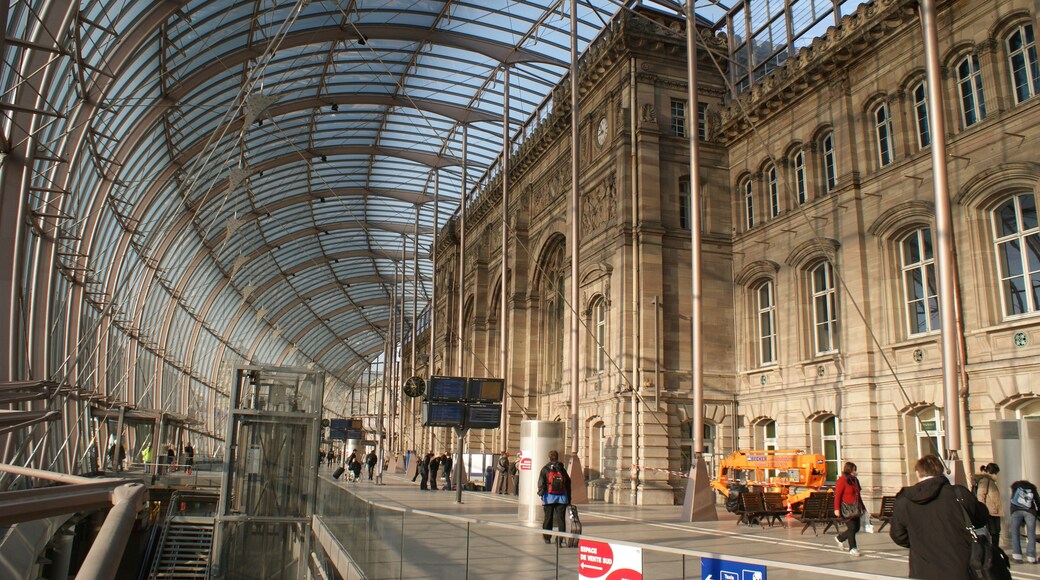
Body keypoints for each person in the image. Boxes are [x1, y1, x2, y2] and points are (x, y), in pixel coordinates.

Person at [890, 454, 989, 579]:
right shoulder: (958, 493)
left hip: (922, 569)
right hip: (959, 566)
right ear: (941, 472)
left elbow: (897, 535)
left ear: (918, 473)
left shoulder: (904, 500)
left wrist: (919, 541)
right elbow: (981, 518)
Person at [537, 450, 571, 545]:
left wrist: (541, 493)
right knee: (561, 519)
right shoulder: (562, 469)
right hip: (562, 498)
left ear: (549, 457)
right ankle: (560, 539)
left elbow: (541, 482)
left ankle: (547, 538)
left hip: (549, 497)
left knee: (548, 518)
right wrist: (569, 498)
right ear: (557, 457)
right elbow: (568, 483)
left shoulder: (545, 469)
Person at [833, 462, 864, 556]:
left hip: (855, 507)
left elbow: (858, 495)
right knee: (852, 528)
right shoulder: (842, 480)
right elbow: (838, 496)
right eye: (854, 470)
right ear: (848, 470)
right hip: (846, 508)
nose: (855, 472)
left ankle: (840, 538)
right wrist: (836, 509)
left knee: (857, 528)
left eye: (855, 470)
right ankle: (853, 548)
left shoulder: (855, 480)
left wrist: (863, 507)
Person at [1009, 478, 1039, 563]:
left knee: (1015, 533)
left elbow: (1012, 501)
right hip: (1030, 511)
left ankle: (1017, 556)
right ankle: (1031, 557)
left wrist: (1012, 512)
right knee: (1031, 534)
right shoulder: (1032, 488)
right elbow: (1037, 501)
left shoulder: (1015, 487)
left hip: (1016, 511)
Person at [972, 462, 1002, 542]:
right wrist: (983, 510)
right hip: (990, 511)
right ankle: (994, 550)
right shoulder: (985, 480)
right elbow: (981, 495)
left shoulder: (989, 480)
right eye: (996, 473)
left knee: (996, 532)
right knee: (993, 532)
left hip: (993, 510)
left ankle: (995, 549)